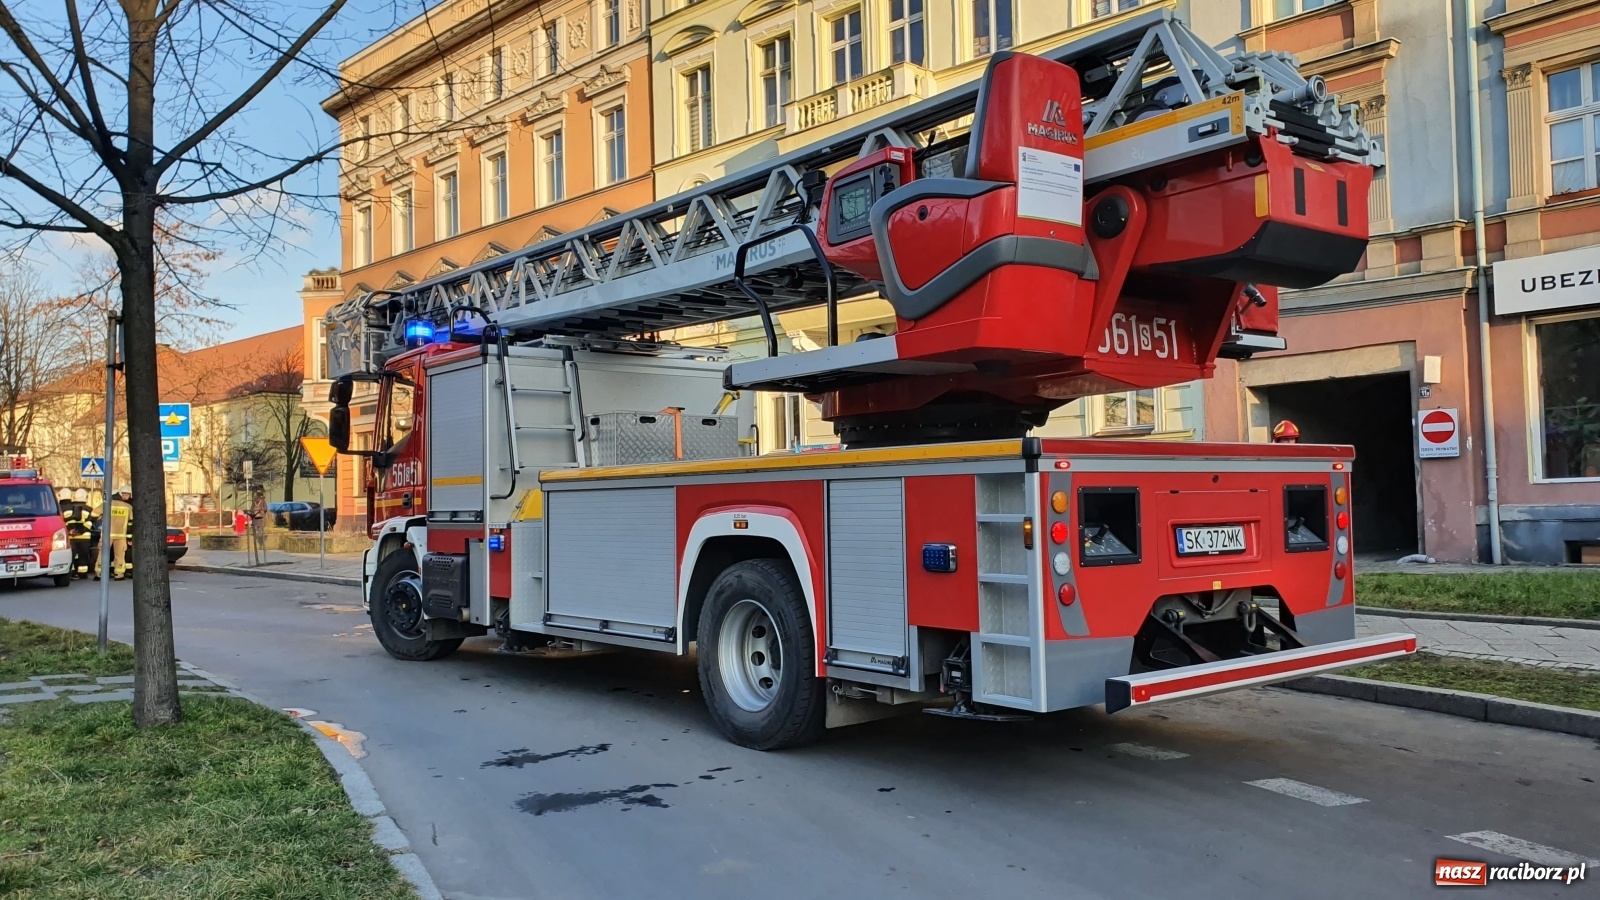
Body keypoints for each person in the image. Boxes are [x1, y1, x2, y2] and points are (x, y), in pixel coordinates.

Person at [95, 486, 132, 581]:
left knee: (103, 553)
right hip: (121, 535)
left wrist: (101, 517)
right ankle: (119, 574)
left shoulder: (106, 505)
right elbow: (131, 521)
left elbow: (93, 514)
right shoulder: (128, 507)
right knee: (119, 555)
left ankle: (99, 573)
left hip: (107, 534)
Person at [66, 487, 95, 579]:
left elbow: (64, 522)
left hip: (71, 537)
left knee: (72, 555)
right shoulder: (89, 509)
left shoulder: (67, 509)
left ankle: (72, 572)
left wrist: (70, 531)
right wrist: (80, 531)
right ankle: (82, 574)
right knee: (83, 556)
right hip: (84, 537)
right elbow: (89, 523)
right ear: (85, 497)